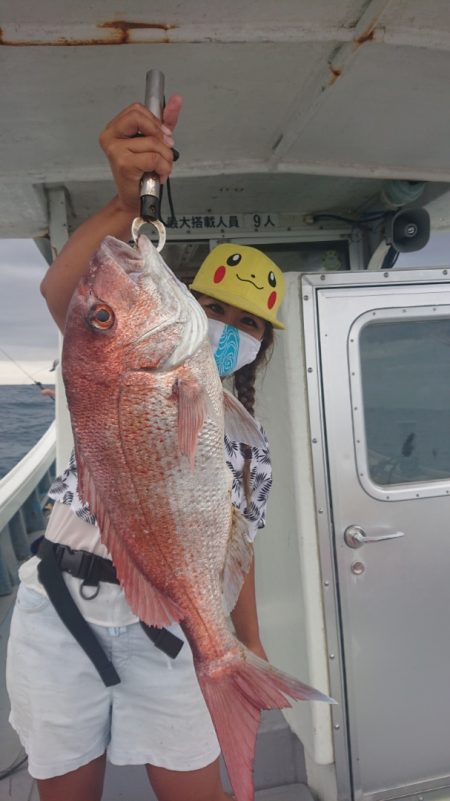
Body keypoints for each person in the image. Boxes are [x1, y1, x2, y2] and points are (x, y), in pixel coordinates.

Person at [6, 97, 285, 801]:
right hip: (63, 607)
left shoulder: (252, 450)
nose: (228, 326)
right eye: (217, 307)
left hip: (173, 631)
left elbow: (234, 554)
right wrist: (125, 201)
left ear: (264, 344)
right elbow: (65, 291)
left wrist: (241, 650)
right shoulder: (126, 367)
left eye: (248, 322)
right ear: (187, 303)